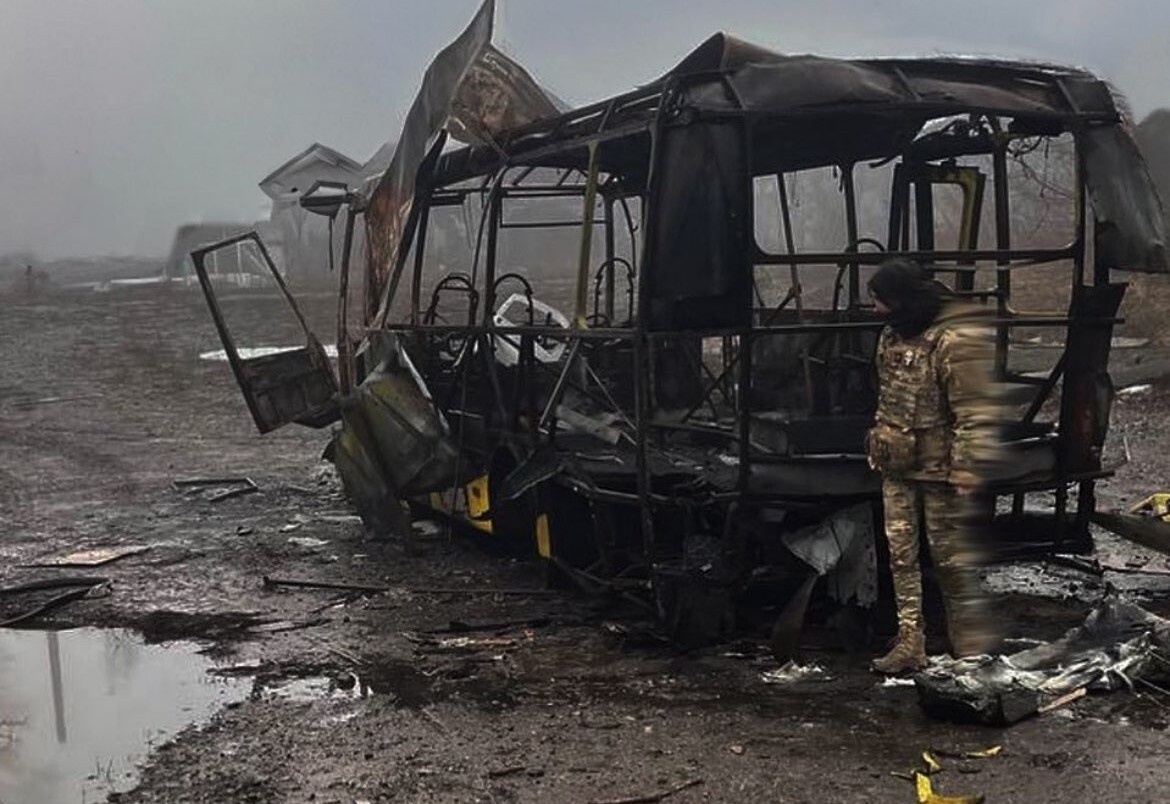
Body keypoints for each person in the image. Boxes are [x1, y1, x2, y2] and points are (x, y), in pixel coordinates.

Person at [865, 259, 1000, 674]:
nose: (876, 310)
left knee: (950, 561)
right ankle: (910, 643)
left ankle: (968, 648)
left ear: (901, 300)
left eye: (880, 301)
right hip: (898, 467)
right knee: (901, 558)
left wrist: (964, 469)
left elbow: (968, 413)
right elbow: (886, 394)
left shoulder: (948, 341)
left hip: (939, 471)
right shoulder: (890, 336)